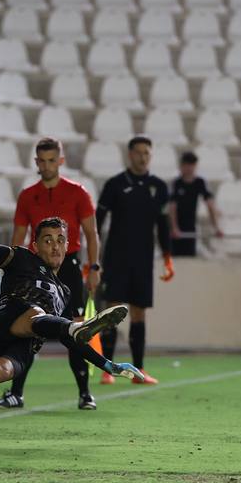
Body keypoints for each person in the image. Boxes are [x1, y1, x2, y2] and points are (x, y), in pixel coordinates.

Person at [0, 179, 144, 402]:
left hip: (24, 345)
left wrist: (108, 365)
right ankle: (78, 327)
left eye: (60, 240)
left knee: (5, 370)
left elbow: (70, 340)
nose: (55, 246)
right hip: (4, 318)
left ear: (68, 246)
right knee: (38, 313)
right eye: (48, 241)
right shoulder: (22, 258)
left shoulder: (64, 292)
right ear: (35, 246)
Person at [0, 138, 101, 410]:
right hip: (35, 269)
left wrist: (95, 267)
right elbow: (19, 238)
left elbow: (91, 233)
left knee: (75, 331)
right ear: (36, 162)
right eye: (42, 161)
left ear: (61, 161)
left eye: (52, 160)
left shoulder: (78, 193)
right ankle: (15, 393)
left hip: (70, 267)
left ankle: (85, 394)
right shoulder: (28, 196)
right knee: (30, 330)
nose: (46, 165)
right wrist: (12, 272)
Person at [95, 136, 173, 386]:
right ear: (130, 155)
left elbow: (163, 224)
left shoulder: (158, 187)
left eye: (146, 153)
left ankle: (138, 371)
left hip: (143, 260)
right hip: (116, 258)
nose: (142, 157)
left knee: (139, 315)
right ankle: (107, 369)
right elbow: (97, 221)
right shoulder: (115, 184)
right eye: (138, 152)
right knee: (111, 313)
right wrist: (94, 258)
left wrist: (168, 257)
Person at [168, 151, 222, 258]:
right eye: (186, 165)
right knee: (174, 261)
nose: (189, 168)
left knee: (189, 259)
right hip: (176, 229)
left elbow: (210, 205)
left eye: (192, 165)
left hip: (190, 228)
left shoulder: (200, 182)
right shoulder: (176, 183)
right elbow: (172, 207)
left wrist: (216, 227)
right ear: (182, 166)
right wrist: (174, 227)